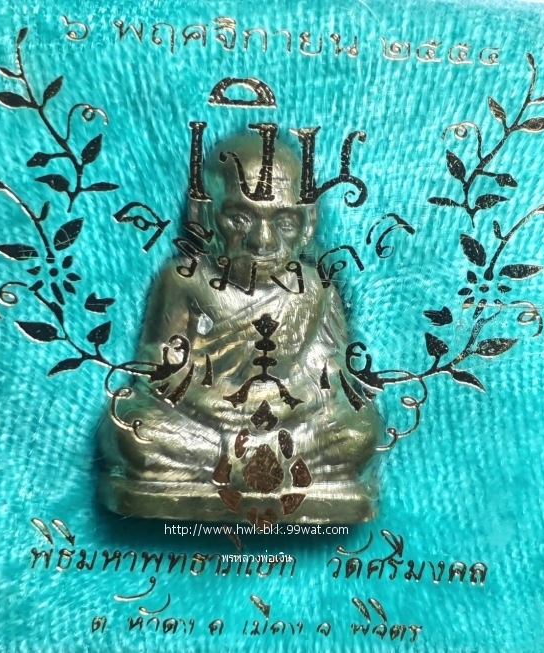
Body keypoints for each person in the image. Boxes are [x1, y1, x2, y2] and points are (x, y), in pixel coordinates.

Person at [98, 132, 383, 523]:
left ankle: (245, 468)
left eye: (285, 222)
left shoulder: (315, 287)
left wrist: (297, 405)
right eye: (239, 218)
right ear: (202, 214)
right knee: (134, 431)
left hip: (290, 425)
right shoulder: (185, 279)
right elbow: (159, 369)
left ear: (309, 223)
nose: (261, 241)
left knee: (360, 430)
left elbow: (331, 372)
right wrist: (208, 404)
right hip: (206, 425)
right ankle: (266, 470)